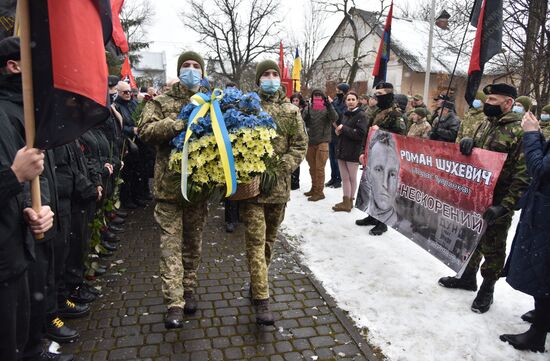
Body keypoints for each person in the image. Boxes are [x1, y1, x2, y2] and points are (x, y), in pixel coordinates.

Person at [439, 83, 529, 314]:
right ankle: (468, 278)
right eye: (487, 99)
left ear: (508, 103)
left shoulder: (519, 132)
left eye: (492, 100)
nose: (487, 103)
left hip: (498, 201)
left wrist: (504, 206)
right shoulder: (484, 124)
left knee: (493, 247)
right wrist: (466, 146)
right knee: (471, 237)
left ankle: (487, 289)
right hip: (476, 197)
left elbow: (523, 175)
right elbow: (474, 160)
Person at [139, 51, 210, 329]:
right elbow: (145, 132)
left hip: (197, 189)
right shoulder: (161, 102)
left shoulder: (209, 104)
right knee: (170, 248)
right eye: (186, 66)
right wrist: (178, 124)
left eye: (196, 66)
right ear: (179, 70)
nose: (191, 70)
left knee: (193, 245)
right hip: (168, 189)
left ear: (202, 73)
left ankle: (189, 290)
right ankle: (174, 303)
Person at [241, 60, 307, 325]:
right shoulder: (247, 107)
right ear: (258, 80)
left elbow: (300, 145)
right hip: (253, 190)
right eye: (265, 74)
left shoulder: (291, 111)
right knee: (255, 244)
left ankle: (258, 281)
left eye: (274, 74)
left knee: (268, 242)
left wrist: (280, 168)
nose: (270, 78)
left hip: (278, 188)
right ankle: (262, 299)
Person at [499, 111, 550, 352]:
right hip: (542, 212)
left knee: (543, 274)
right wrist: (539, 135)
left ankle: (537, 334)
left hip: (545, 216)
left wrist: (530, 135)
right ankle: (543, 318)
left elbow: (540, 169)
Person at [355, 82, 406, 235]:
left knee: (383, 188)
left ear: (389, 95)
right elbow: (368, 132)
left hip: (387, 158)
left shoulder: (395, 114)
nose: (378, 97)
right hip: (374, 154)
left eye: (381, 94)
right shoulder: (377, 111)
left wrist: (382, 131)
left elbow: (401, 136)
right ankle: (371, 215)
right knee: (371, 185)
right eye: (377, 94)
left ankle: (382, 223)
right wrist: (362, 151)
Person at [332, 91, 368, 212]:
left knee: (352, 177)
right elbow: (343, 130)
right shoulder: (345, 114)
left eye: (353, 99)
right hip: (342, 149)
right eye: (349, 100)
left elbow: (360, 134)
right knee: (344, 178)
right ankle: (345, 201)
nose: (351, 102)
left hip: (353, 151)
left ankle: (350, 200)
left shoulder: (361, 115)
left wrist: (344, 128)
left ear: (357, 101)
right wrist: (338, 132)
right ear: (345, 102)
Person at [302, 89, 337, 201]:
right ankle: (314, 188)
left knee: (319, 168)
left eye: (319, 96)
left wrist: (329, 105)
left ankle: (319, 192)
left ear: (323, 98)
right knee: (312, 168)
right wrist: (306, 109)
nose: (317, 97)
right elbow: (302, 120)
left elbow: (335, 118)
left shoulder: (327, 108)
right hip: (311, 142)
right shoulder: (309, 108)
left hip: (323, 142)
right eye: (315, 96)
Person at [360, 130, 400, 226]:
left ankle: (382, 225)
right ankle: (371, 217)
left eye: (392, 174)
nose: (385, 184)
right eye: (379, 170)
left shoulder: (401, 224)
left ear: (398, 181)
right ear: (369, 175)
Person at [326, 83, 349, 189]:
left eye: (339, 91)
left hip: (339, 132)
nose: (337, 92)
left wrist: (333, 105)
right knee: (331, 157)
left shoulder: (346, 102)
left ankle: (338, 179)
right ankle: (333, 177)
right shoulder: (335, 100)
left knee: (337, 158)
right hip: (331, 132)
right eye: (337, 90)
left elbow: (341, 115)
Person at [289, 92, 306, 191]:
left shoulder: (304, 110)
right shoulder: (289, 110)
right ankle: (292, 180)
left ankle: (295, 182)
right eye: (293, 101)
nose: (295, 102)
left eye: (297, 101)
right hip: (291, 135)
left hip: (299, 137)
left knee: (297, 159)